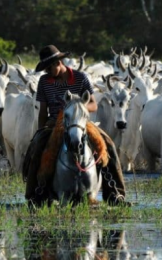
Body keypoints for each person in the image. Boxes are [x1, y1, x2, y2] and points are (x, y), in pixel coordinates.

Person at [22, 45, 130, 207]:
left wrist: (79, 108)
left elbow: (93, 104)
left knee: (108, 144)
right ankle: (34, 194)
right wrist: (40, 131)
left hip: (80, 121)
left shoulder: (80, 77)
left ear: (58, 63)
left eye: (48, 68)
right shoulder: (44, 82)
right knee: (37, 147)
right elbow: (43, 111)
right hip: (55, 122)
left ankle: (116, 193)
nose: (46, 72)